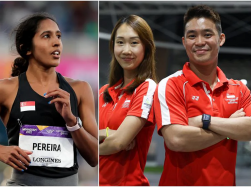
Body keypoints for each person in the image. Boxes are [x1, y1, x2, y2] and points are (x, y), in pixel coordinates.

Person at [0, 13, 98, 186]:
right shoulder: (5, 89)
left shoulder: (80, 89)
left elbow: (94, 157)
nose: (56, 42)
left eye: (58, 36)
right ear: (27, 48)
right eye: (47, 36)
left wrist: (72, 122)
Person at [154, 5, 251, 186]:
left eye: (207, 34)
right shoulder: (170, 85)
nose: (199, 41)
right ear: (184, 42)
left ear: (221, 39)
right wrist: (230, 129)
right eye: (192, 36)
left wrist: (204, 121)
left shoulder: (239, 89)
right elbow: (176, 139)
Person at [98, 15, 158, 186]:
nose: (126, 50)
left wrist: (94, 146)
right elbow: (88, 136)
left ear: (146, 48)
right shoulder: (104, 91)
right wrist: (106, 133)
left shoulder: (147, 88)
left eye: (134, 43)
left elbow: (119, 143)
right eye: (120, 42)